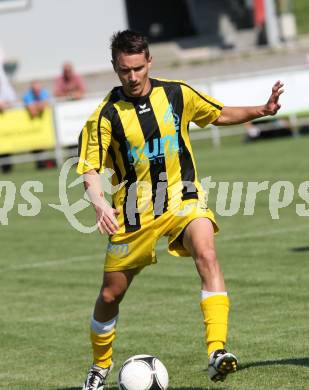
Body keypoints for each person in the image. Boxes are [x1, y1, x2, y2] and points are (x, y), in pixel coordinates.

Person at [77, 30, 283, 389]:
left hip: (183, 198)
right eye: (125, 70)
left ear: (149, 62)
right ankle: (100, 366)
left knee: (207, 252)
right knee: (110, 295)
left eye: (138, 68)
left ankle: (217, 352)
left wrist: (262, 111)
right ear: (115, 67)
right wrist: (98, 205)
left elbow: (218, 114)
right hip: (133, 215)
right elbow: (90, 169)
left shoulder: (176, 93)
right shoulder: (105, 116)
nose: (133, 77)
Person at [0, 62, 17, 173]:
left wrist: (5, 104)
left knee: (6, 145)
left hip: (6, 122)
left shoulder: (5, 87)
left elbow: (13, 100)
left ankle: (7, 167)